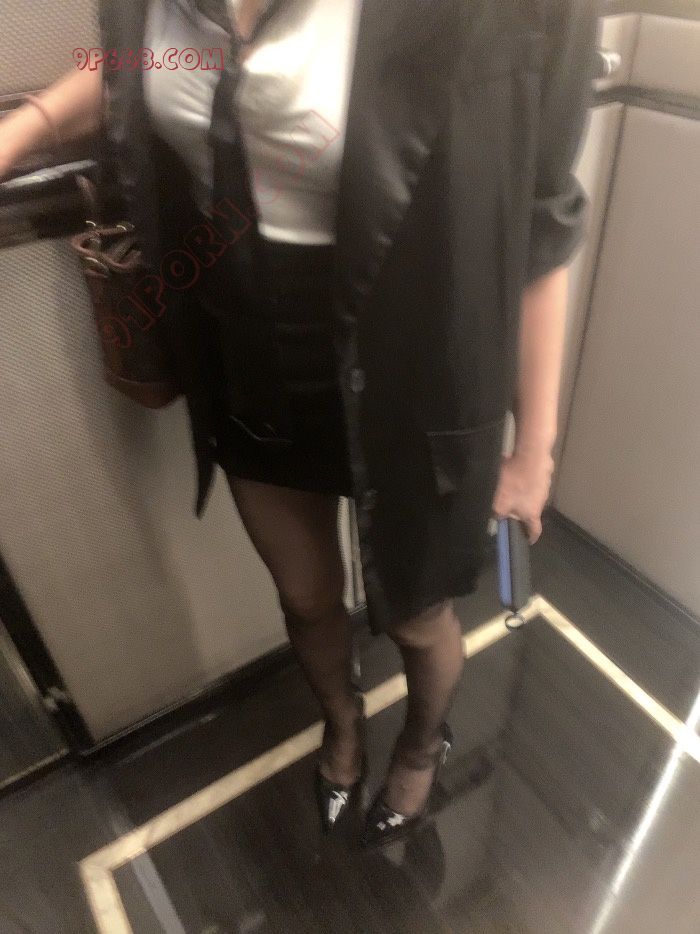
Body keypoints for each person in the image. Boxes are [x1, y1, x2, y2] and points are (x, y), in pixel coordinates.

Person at [0, 0, 598, 846]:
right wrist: (19, 133)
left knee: (414, 612)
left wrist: (534, 448)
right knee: (306, 596)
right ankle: (342, 728)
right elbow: (147, 67)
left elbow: (540, 218)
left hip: (414, 360)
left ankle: (422, 743)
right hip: (248, 344)